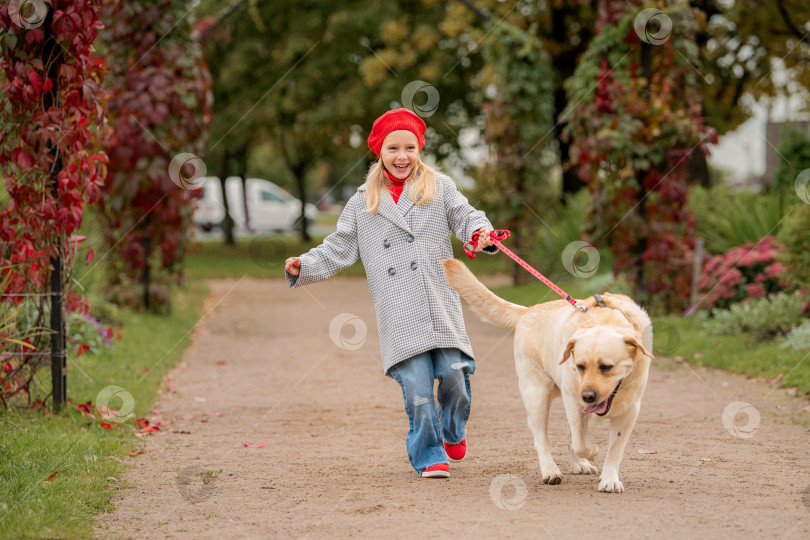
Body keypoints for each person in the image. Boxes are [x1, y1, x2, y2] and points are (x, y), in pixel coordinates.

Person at [284, 108, 499, 478]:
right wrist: (304, 265)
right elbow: (339, 247)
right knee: (417, 388)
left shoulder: (440, 186)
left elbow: (466, 216)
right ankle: (429, 453)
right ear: (379, 152)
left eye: (410, 147)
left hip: (438, 302)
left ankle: (452, 429)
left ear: (420, 149)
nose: (402, 156)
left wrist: (481, 233)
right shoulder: (362, 202)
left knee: (455, 373)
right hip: (398, 309)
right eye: (393, 148)